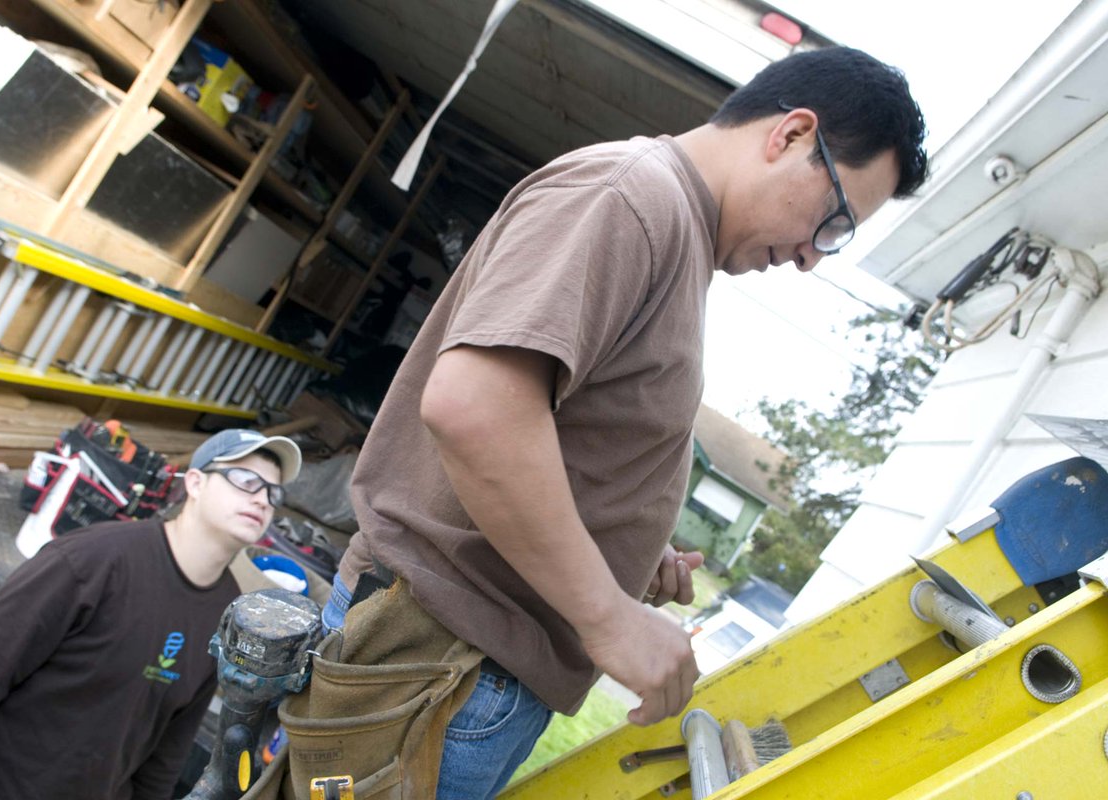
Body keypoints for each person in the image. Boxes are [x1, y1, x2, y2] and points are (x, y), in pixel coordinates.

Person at [322, 45, 929, 799]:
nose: (813, 257)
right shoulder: (630, 198)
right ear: (792, 135)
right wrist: (606, 615)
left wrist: (621, 553)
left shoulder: (670, 229)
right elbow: (474, 410)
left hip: (460, 672)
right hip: (439, 663)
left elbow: (555, 431)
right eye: (834, 222)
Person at [0, 429, 302, 800]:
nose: (262, 499)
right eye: (245, 480)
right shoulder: (92, 562)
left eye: (273, 492)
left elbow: (164, 758)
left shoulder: (228, 618)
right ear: (195, 483)